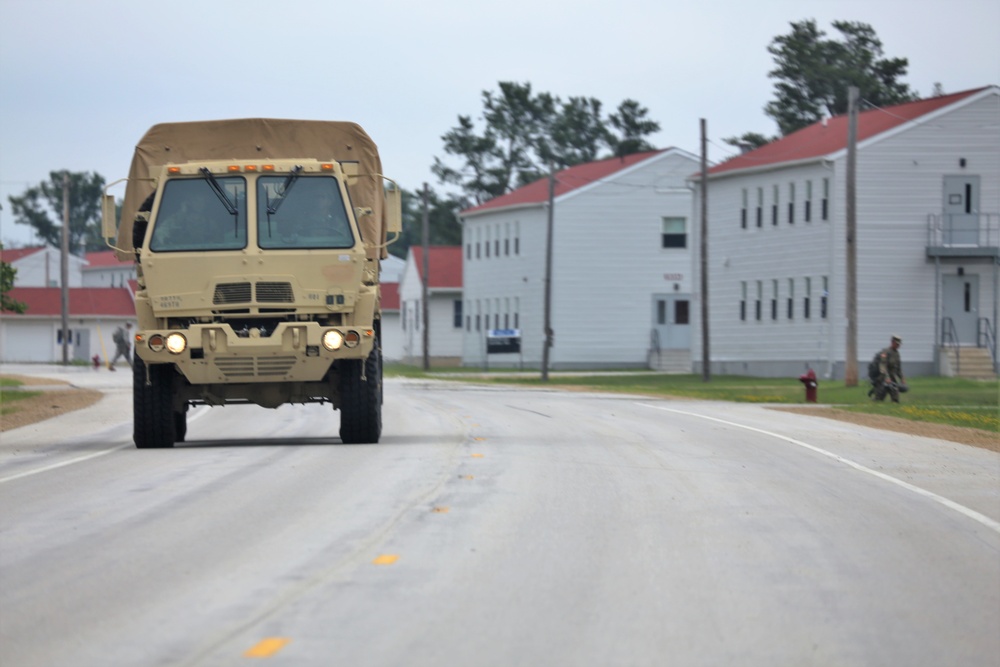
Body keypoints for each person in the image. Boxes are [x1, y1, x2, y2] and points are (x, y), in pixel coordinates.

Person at [871, 335, 905, 402]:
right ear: (892, 342)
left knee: (895, 399)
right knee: (879, 398)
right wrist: (886, 377)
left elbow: (898, 367)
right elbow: (882, 365)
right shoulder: (886, 352)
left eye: (899, 344)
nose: (898, 346)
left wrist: (902, 378)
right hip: (883, 378)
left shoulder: (897, 354)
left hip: (892, 379)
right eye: (897, 344)